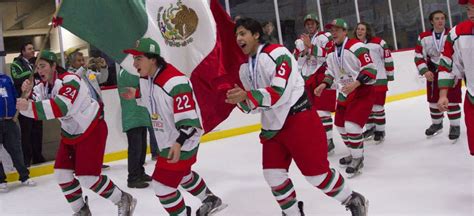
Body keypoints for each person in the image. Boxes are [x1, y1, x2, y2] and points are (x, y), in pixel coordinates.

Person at [227, 17, 368, 216]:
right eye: (236, 35)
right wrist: (240, 101)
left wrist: (248, 96)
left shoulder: (278, 53)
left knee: (316, 176)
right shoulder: (245, 69)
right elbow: (257, 106)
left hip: (299, 120)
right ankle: (293, 213)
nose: (238, 39)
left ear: (256, 34)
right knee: (273, 175)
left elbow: (279, 92)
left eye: (242, 33)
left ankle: (352, 199)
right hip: (272, 128)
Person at [17, 50, 136, 215]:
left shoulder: (70, 80)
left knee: (88, 178)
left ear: (53, 66)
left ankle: (123, 199)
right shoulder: (42, 86)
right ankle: (81, 210)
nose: (40, 70)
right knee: (61, 174)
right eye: (37, 67)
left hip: (92, 129)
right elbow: (31, 108)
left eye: (43, 66)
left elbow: (60, 107)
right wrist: (26, 94)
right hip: (70, 133)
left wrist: (28, 106)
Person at [121, 38, 226, 216]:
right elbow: (153, 97)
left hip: (184, 140)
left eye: (138, 58)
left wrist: (178, 143)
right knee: (184, 176)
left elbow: (189, 121)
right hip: (168, 140)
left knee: (162, 187)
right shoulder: (146, 78)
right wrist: (136, 94)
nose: (134, 63)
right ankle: (211, 200)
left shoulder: (176, 82)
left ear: (152, 59)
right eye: (134, 58)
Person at [314, 19, 377, 177]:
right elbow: (330, 72)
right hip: (344, 92)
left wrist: (356, 83)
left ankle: (358, 158)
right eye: (332, 30)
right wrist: (323, 84)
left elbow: (370, 69)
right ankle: (353, 152)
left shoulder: (357, 47)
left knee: (352, 127)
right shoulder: (331, 51)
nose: (333, 32)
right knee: (341, 126)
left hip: (361, 92)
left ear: (345, 31)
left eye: (337, 29)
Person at [414, 10, 462, 140]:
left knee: (451, 99)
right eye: (437, 18)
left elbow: (459, 52)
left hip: (450, 70)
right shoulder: (424, 36)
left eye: (442, 18)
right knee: (433, 101)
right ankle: (437, 124)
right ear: (431, 21)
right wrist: (425, 71)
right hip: (432, 71)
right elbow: (418, 56)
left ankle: (455, 126)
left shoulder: (452, 34)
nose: (440, 21)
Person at [294, 13, 336, 154]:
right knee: (311, 112)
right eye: (308, 24)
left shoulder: (326, 36)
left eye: (312, 23)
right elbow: (296, 59)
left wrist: (311, 46)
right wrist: (305, 51)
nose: (310, 26)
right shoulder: (300, 40)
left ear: (317, 24)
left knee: (322, 109)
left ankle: (328, 141)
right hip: (307, 78)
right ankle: (320, 139)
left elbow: (331, 53)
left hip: (323, 74)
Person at [65, 47, 111, 170]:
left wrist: (104, 67)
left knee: (97, 138)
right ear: (72, 62)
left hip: (98, 109)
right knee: (84, 139)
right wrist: (83, 69)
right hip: (84, 112)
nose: (82, 62)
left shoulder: (88, 73)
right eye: (79, 60)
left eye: (82, 60)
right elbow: (75, 80)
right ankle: (80, 163)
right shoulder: (69, 76)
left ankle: (96, 161)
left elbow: (102, 78)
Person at [438, 0, 474, 155]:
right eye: (468, 9)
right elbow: (448, 64)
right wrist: (443, 94)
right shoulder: (458, 33)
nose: (471, 13)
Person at [354, 22, 395, 143]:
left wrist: (389, 75)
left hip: (379, 80)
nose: (360, 31)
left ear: (367, 31)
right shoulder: (354, 45)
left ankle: (380, 131)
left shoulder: (379, 43)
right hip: (363, 82)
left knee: (377, 108)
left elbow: (388, 58)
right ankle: (370, 128)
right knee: (366, 107)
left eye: (362, 29)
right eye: (358, 29)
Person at [0, 71, 36, 193]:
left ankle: (24, 177)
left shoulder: (6, 79)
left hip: (10, 121)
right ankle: (1, 181)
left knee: (16, 150)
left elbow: (15, 96)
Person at [10, 42, 45, 167]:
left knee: (38, 130)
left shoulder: (36, 62)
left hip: (36, 101)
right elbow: (17, 77)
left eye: (33, 48)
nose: (33, 51)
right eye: (29, 49)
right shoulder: (16, 64)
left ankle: (38, 156)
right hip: (24, 103)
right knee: (26, 132)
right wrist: (32, 72)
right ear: (23, 51)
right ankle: (27, 159)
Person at [117, 69, 153, 188]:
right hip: (133, 116)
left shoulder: (132, 71)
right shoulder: (128, 72)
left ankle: (140, 172)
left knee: (142, 147)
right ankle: (132, 178)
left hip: (140, 115)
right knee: (135, 149)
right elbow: (144, 88)